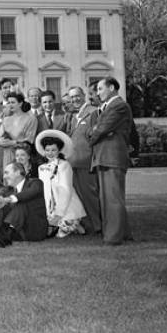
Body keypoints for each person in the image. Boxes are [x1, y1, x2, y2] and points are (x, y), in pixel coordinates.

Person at [89, 77, 134, 245]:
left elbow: (101, 129)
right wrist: (98, 131)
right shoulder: (108, 107)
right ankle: (123, 233)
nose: (98, 93)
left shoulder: (119, 106)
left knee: (112, 199)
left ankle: (113, 237)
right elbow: (100, 130)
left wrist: (95, 133)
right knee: (108, 198)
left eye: (100, 89)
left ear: (112, 87)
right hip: (104, 157)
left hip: (112, 157)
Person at [36, 131, 87, 238]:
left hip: (66, 207)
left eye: (53, 150)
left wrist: (59, 213)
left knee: (60, 235)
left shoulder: (64, 165)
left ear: (59, 151)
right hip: (50, 209)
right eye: (47, 150)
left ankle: (74, 223)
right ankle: (67, 226)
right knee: (43, 230)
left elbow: (66, 189)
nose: (50, 153)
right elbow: (45, 191)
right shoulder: (41, 168)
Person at [66, 86, 100, 234]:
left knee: (90, 195)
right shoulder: (73, 116)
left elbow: (96, 135)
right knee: (79, 196)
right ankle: (87, 225)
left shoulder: (93, 111)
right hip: (73, 161)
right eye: (72, 97)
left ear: (83, 95)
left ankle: (98, 225)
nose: (75, 99)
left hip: (87, 161)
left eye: (77, 95)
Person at [0, 162, 49, 242]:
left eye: (7, 173)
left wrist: (8, 199)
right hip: (18, 231)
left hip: (34, 230)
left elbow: (29, 193)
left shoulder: (35, 182)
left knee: (21, 203)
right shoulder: (8, 190)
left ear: (18, 172)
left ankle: (5, 233)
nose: (4, 177)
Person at [0, 93, 38, 171]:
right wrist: (0, 141)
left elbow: (29, 140)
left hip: (23, 154)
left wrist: (12, 142)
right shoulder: (6, 119)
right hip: (8, 154)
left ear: (20, 103)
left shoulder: (31, 119)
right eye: (8, 102)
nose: (10, 105)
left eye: (13, 102)